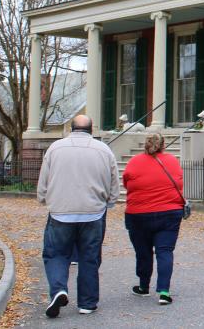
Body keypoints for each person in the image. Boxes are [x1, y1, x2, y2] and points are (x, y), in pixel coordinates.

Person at [37, 115, 119, 318]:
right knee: (89, 257)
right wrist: (110, 201)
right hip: (93, 212)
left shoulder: (55, 148)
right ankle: (87, 303)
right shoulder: (103, 150)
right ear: (92, 129)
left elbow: (44, 178)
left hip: (61, 211)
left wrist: (43, 198)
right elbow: (113, 181)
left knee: (56, 253)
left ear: (70, 128)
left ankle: (59, 289)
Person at [122, 132, 185, 305]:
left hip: (138, 213)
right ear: (163, 145)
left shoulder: (134, 161)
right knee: (165, 251)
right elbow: (179, 182)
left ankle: (143, 286)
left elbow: (126, 183)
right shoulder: (172, 161)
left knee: (143, 251)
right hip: (169, 212)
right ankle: (164, 291)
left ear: (145, 144)